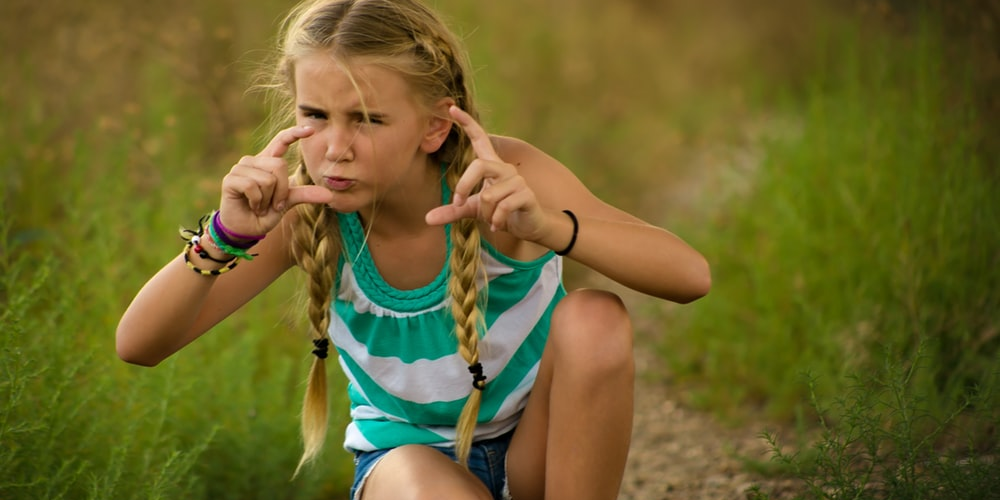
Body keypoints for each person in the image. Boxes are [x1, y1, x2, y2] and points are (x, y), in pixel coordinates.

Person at [116, 0, 710, 498]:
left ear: (433, 127)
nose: (335, 147)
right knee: (421, 484)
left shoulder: (501, 175)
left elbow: (690, 277)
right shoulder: (302, 211)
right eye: (315, 116)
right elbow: (139, 345)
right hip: (412, 474)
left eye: (368, 119)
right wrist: (225, 235)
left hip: (541, 453)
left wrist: (549, 226)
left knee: (594, 318)